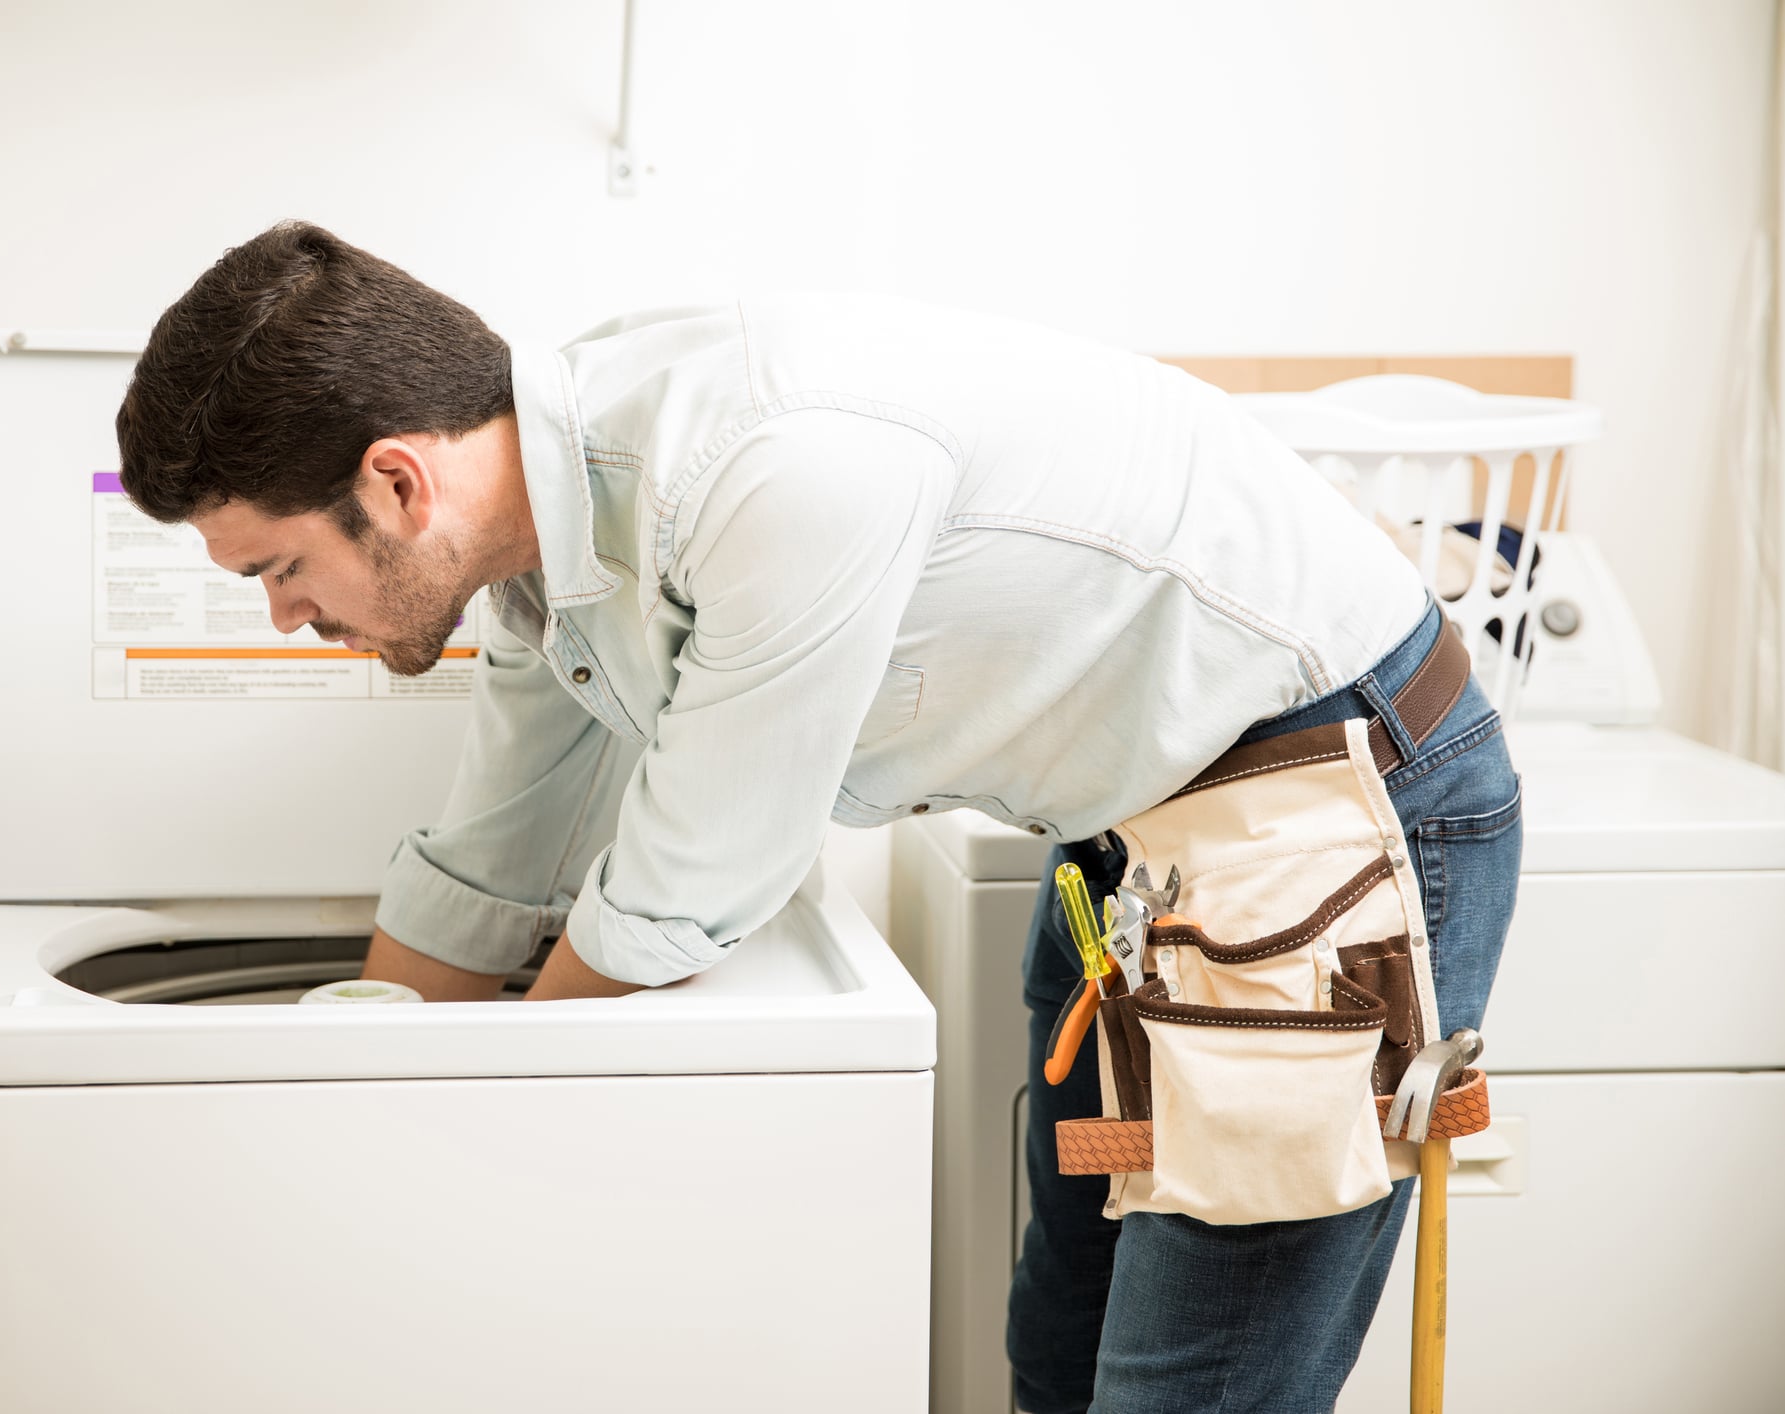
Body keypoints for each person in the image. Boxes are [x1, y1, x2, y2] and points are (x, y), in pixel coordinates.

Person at [114, 220, 1523, 1413]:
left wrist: (465, 1164)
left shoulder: (766, 466)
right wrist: (337, 1101)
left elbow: (678, 892)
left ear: (396, 481)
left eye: (281, 567)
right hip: (1133, 839)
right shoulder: (555, 529)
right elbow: (491, 853)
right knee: (1051, 1357)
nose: (286, 615)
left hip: (1336, 813)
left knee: (1183, 1387)